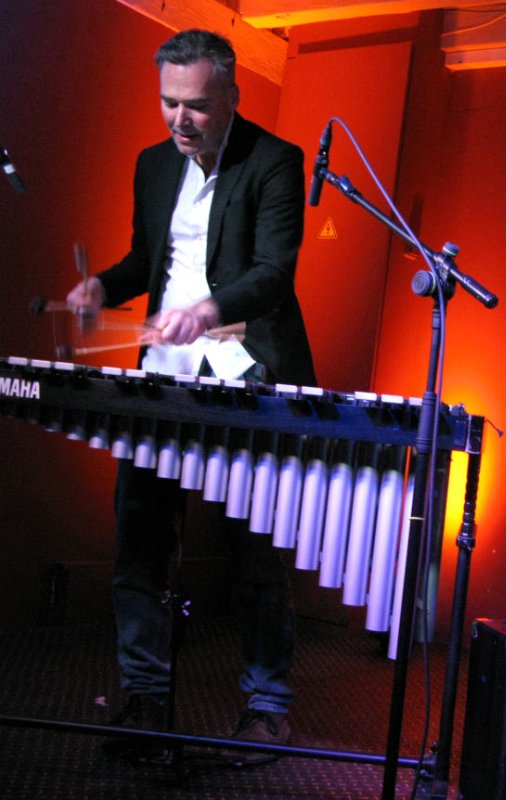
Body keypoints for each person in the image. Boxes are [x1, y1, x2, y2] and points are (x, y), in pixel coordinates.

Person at [66, 29, 315, 765]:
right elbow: (149, 258)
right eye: (169, 102)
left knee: (257, 553)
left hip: (243, 372)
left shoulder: (274, 161)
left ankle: (267, 708)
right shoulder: (153, 164)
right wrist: (102, 287)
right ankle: (144, 697)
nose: (180, 119)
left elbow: (273, 272)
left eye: (197, 105)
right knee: (141, 541)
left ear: (231, 95)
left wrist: (207, 310)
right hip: (163, 374)